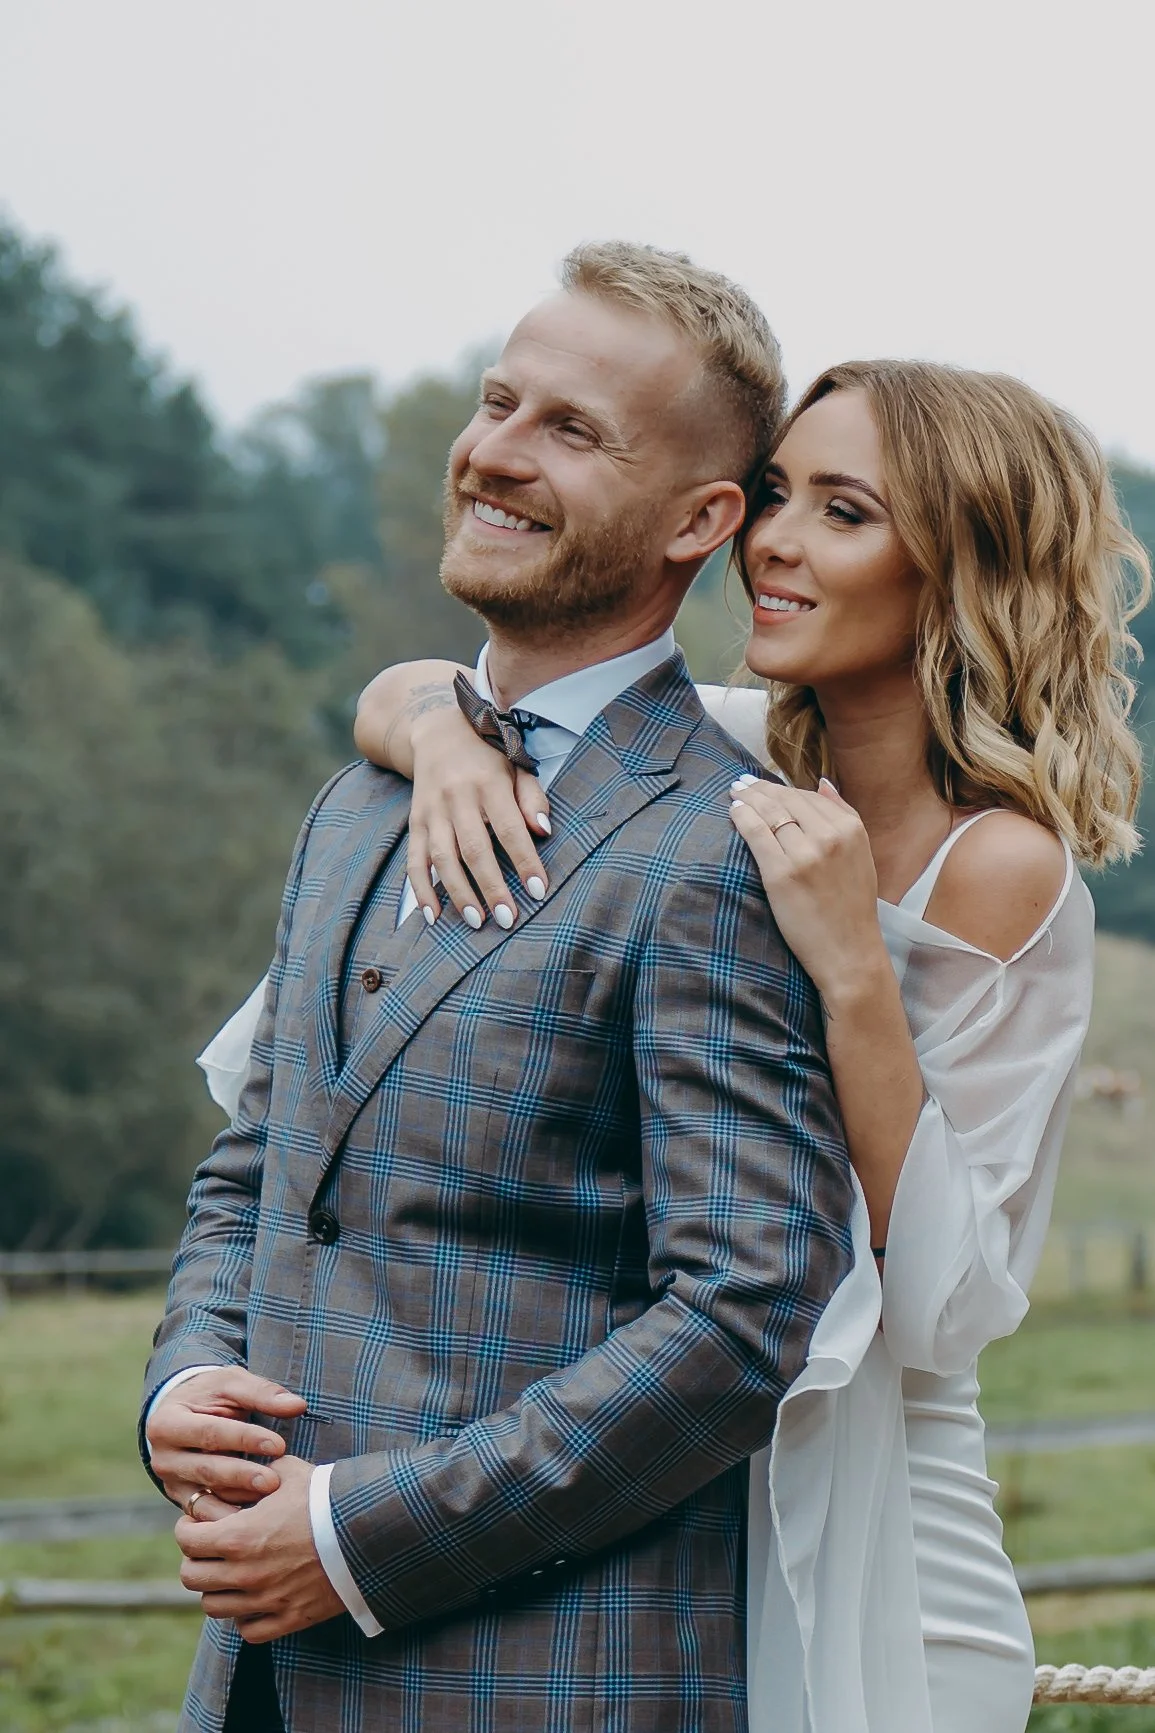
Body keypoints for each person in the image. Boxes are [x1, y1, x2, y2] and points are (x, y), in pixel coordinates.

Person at [339, 359, 1150, 1732]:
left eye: (843, 512)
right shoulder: (713, 758)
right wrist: (451, 742)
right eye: (774, 495)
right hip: (671, 1501)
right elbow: (414, 683)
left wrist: (850, 964)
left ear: (957, 569)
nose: (770, 540)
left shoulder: (999, 868)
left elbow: (944, 1309)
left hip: (883, 1520)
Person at [141, 242, 856, 1733]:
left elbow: (740, 1315)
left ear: (699, 520)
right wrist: (187, 1378)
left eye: (570, 431)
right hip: (263, 1683)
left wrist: (358, 1536)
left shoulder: (718, 849)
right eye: (497, 401)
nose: (495, 454)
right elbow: (264, 1165)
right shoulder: (356, 808)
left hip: (544, 1681)